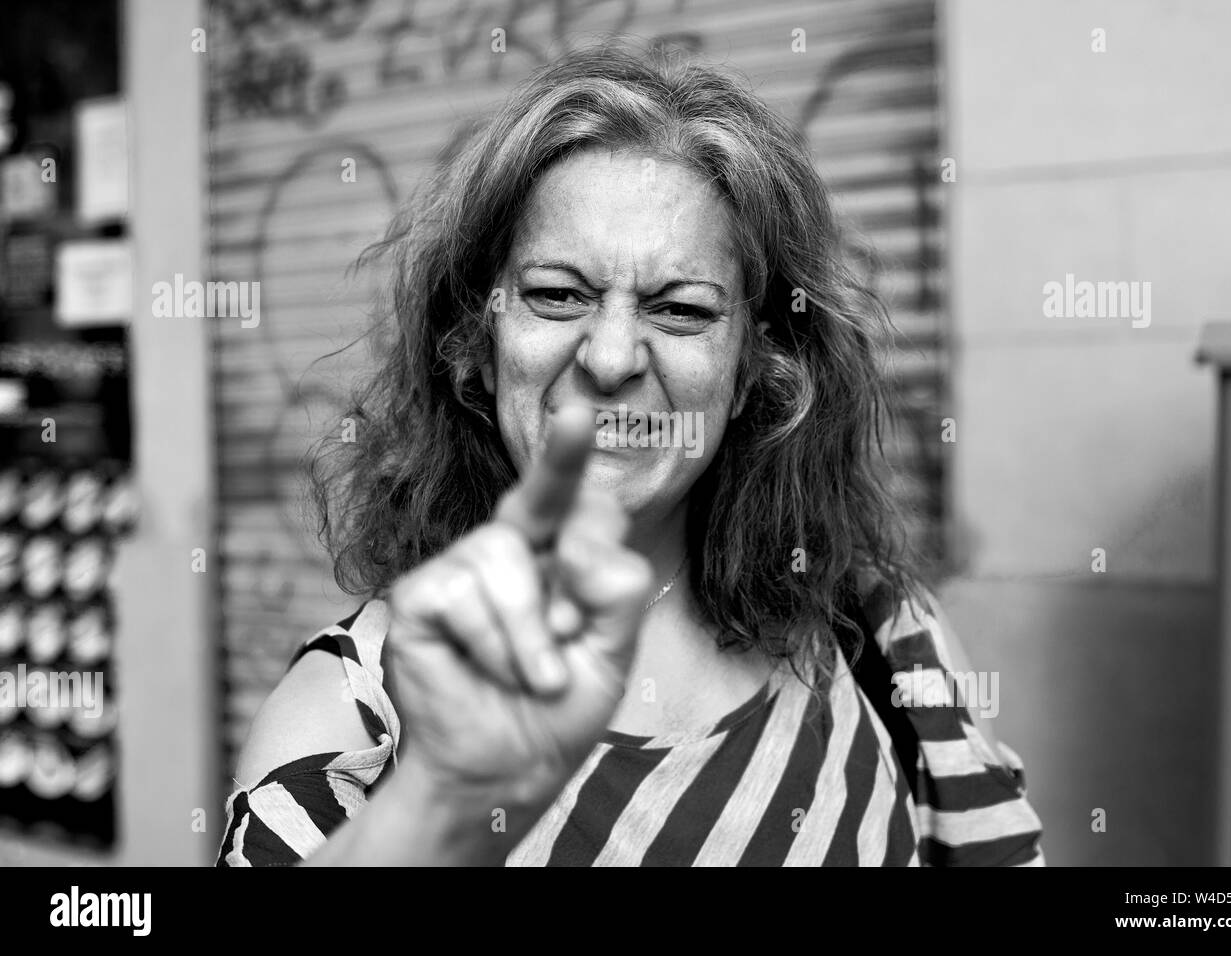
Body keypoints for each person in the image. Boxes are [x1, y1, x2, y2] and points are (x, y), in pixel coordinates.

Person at [216, 43, 1045, 867]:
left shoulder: (887, 646)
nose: (611, 359)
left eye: (681, 310)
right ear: (474, 341)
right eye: (556, 295)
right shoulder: (352, 719)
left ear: (761, 366)